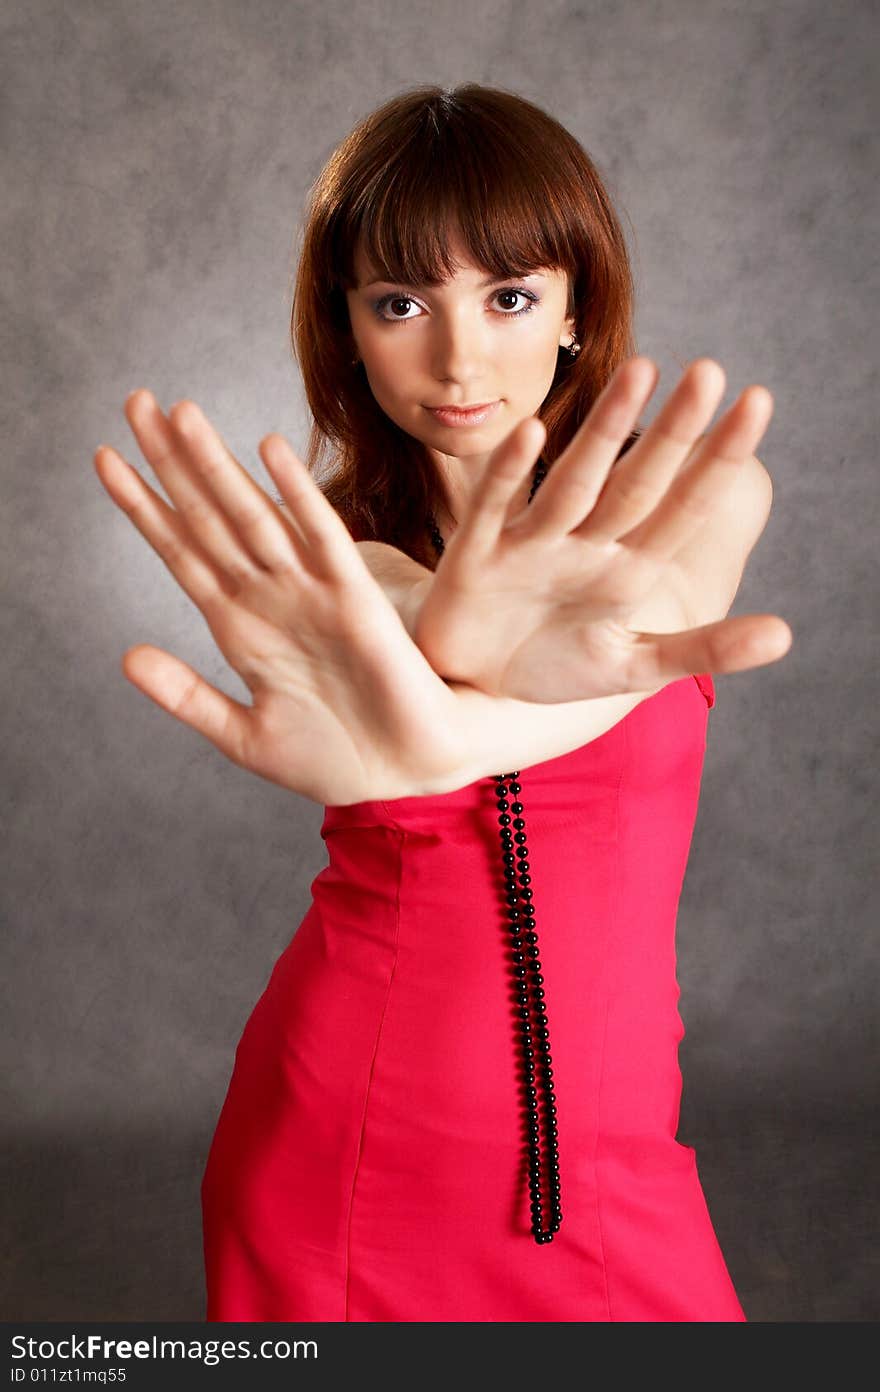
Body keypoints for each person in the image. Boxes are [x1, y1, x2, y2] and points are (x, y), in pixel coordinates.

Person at [94, 84, 792, 1322]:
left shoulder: (693, 500)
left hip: (610, 1144)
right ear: (348, 328)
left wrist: (453, 728)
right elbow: (434, 647)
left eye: (510, 297)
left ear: (578, 308)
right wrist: (447, 676)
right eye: (401, 302)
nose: (459, 358)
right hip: (345, 1139)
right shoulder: (337, 561)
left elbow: (581, 679)